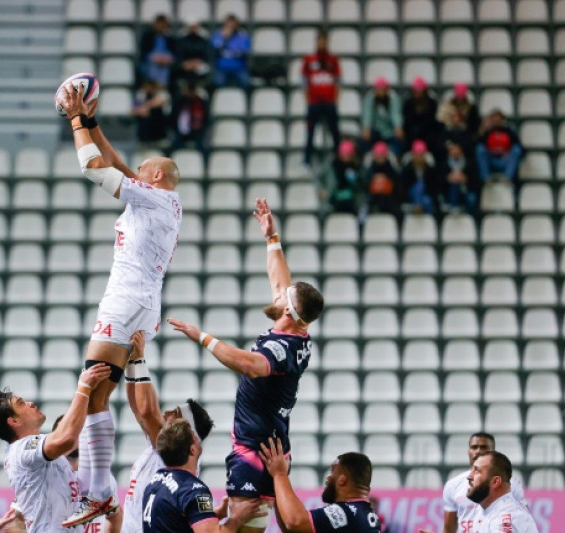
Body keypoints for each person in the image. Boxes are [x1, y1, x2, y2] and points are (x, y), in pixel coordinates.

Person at [56, 81, 184, 525]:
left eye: (144, 167)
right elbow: (121, 166)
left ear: (156, 178)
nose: (136, 170)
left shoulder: (154, 198)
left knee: (91, 387)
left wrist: (75, 121)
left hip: (126, 299)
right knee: (98, 393)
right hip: (140, 302)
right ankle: (99, 493)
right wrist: (93, 123)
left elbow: (94, 169)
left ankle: (98, 493)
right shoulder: (159, 199)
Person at [167, 197, 325, 533]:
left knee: (241, 527)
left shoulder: (281, 350)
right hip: (270, 444)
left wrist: (202, 337)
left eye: (285, 296)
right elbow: (281, 281)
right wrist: (272, 238)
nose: (280, 292)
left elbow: (249, 365)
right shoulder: (298, 333)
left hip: (253, 450)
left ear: (287, 312)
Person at [0, 363, 112, 531]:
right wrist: (84, 388)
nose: (31, 403)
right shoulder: (22, 449)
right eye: (21, 403)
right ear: (14, 421)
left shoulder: (33, 452)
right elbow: (66, 439)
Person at [123, 331, 216, 533]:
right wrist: (131, 363)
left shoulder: (173, 450)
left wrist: (139, 358)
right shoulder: (169, 447)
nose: (166, 412)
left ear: (188, 430)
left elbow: (147, 411)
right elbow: (137, 406)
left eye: (175, 413)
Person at [141, 419, 263, 533]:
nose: (198, 438)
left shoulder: (154, 483)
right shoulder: (193, 490)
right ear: (192, 450)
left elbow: (174, 521)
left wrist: (215, 514)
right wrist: (237, 518)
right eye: (194, 437)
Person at [258, 438, 382, 533]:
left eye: (333, 471)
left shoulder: (345, 512)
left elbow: (295, 521)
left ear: (342, 480)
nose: (328, 477)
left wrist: (280, 474)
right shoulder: (365, 514)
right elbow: (294, 529)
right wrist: (277, 483)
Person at [420, 433, 527, 533]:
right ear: (468, 451)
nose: (478, 451)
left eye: (484, 447)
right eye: (474, 447)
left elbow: (523, 521)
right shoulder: (453, 485)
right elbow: (449, 529)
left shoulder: (511, 484)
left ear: (493, 452)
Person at [50, 415, 123, 533]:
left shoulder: (104, 477)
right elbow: (16, 520)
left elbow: (114, 516)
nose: (71, 437)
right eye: (66, 432)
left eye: (77, 431)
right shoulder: (45, 476)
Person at [465, 452, 537, 533]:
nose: (469, 476)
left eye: (477, 471)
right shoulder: (482, 510)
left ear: (495, 482)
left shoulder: (508, 517)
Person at [301, 30, 341, 167]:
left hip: (329, 102)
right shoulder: (309, 59)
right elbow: (304, 80)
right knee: (310, 132)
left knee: (335, 132)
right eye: (320, 41)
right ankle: (307, 160)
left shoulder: (333, 60)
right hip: (314, 102)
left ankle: (339, 159)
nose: (322, 44)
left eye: (324, 41)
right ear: (316, 42)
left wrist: (335, 99)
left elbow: (338, 80)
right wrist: (307, 99)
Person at [475, 109, 523, 186]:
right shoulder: (487, 132)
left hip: (505, 161)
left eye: (499, 118)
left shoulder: (509, 132)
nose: (496, 121)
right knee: (480, 149)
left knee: (516, 149)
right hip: (491, 161)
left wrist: (508, 154)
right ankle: (485, 178)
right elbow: (477, 144)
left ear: (503, 120)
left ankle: (508, 177)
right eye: (494, 119)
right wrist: (483, 130)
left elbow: (520, 147)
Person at [361, 77, 404, 156]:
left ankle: (395, 160)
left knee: (400, 140)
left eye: (382, 89)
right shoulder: (370, 98)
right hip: (375, 130)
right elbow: (367, 114)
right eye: (378, 89)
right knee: (363, 141)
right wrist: (366, 128)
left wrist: (398, 126)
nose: (380, 92)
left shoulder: (393, 98)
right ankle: (367, 160)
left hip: (389, 131)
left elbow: (396, 114)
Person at [317, 139, 362, 215]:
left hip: (351, 201)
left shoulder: (357, 167)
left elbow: (359, 187)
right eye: (344, 154)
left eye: (348, 154)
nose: (346, 157)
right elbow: (318, 177)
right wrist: (321, 189)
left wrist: (355, 180)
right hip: (334, 199)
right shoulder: (332, 165)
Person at [438, 140, 480, 215]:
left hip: (466, 191)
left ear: (461, 150)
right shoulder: (444, 165)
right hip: (449, 193)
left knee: (472, 199)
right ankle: (454, 209)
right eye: (452, 149)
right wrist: (448, 179)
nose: (455, 151)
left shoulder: (469, 163)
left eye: (457, 148)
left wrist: (466, 179)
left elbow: (476, 182)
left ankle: (472, 219)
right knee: (454, 184)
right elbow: (438, 184)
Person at [168, 80, 209, 156]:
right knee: (172, 149)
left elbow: (205, 119)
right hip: (179, 132)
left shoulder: (200, 102)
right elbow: (173, 117)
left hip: (197, 131)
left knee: (202, 149)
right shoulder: (178, 102)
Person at [211, 15, 251, 89]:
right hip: (221, 67)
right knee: (217, 83)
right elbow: (215, 49)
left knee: (246, 83)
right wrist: (224, 38)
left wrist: (232, 52)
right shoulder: (218, 35)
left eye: (233, 24)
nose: (231, 26)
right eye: (228, 24)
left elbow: (243, 51)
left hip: (239, 67)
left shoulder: (243, 36)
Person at [400, 139, 438, 215]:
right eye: (417, 154)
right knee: (419, 185)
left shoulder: (429, 169)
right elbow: (404, 185)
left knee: (427, 201)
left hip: (425, 194)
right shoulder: (408, 169)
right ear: (413, 155)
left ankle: (420, 211)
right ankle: (417, 205)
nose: (419, 157)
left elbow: (433, 186)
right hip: (411, 194)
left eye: (421, 155)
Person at [363, 142, 401, 218]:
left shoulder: (391, 169)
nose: (379, 157)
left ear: (386, 155)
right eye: (377, 154)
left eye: (381, 154)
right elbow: (364, 185)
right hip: (372, 198)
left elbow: (397, 186)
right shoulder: (369, 170)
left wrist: (386, 181)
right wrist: (374, 181)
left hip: (389, 197)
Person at [402, 76, 441, 149]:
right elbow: (407, 119)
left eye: (420, 90)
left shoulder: (431, 103)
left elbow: (432, 119)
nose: (418, 92)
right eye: (416, 90)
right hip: (412, 131)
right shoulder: (408, 103)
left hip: (428, 131)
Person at [132, 80, 172, 151]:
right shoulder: (141, 96)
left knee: (155, 111)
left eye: (150, 87)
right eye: (146, 87)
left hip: (159, 127)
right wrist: (142, 110)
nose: (148, 89)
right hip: (145, 130)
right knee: (144, 115)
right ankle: (144, 140)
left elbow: (160, 102)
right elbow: (132, 112)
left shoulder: (162, 94)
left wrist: (146, 106)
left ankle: (158, 139)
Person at [138, 14, 176, 87]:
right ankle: (153, 86)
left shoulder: (170, 38)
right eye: (159, 24)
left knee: (167, 69)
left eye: (163, 24)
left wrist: (168, 59)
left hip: (166, 62)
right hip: (151, 61)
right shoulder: (147, 36)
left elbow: (174, 53)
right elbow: (143, 52)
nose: (161, 26)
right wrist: (154, 57)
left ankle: (162, 87)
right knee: (151, 68)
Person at [176, 18, 212, 86]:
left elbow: (207, 55)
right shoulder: (182, 41)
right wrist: (185, 63)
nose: (193, 28)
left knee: (205, 70)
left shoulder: (203, 41)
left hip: (200, 65)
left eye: (194, 27)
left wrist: (198, 62)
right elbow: (179, 54)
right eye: (191, 27)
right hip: (185, 66)